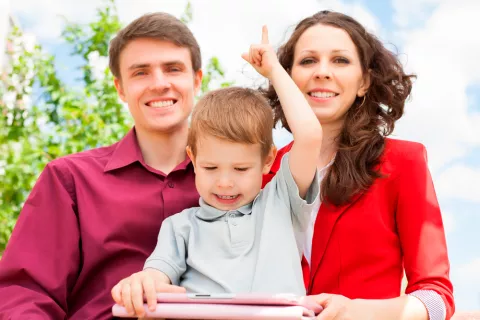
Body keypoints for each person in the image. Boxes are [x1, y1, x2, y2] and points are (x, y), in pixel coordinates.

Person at [0, 13, 203, 320]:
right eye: (141, 73)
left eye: (173, 69)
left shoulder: (246, 178)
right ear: (120, 89)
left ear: (196, 80)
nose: (159, 84)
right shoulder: (69, 180)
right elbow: (26, 295)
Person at [111, 26, 323, 318]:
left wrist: (274, 71)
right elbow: (157, 276)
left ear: (267, 161)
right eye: (210, 168)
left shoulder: (281, 203)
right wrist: (143, 283)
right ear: (193, 159)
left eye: (240, 168)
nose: (224, 182)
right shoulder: (179, 227)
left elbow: (310, 135)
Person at [261, 10, 455, 320]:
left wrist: (353, 310)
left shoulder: (404, 162)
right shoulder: (260, 173)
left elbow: (437, 299)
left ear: (364, 82)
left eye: (340, 60)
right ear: (287, 77)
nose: (322, 72)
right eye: (308, 61)